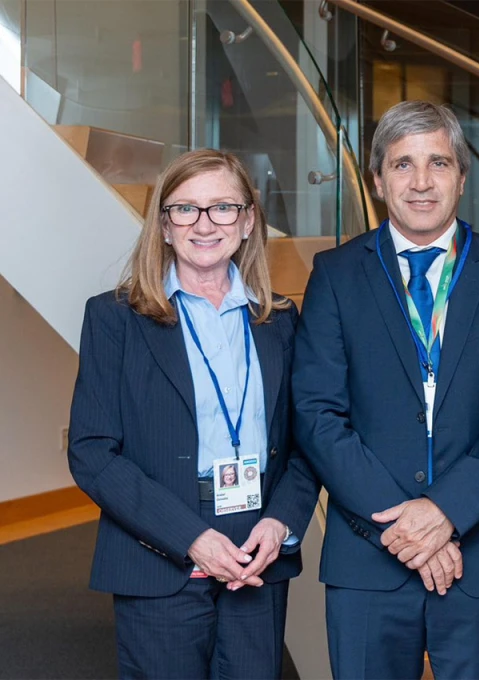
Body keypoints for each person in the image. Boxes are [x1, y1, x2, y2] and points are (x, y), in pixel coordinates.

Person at [292, 101, 479, 679]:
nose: (421, 182)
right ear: (378, 180)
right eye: (402, 164)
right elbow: (317, 414)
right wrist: (406, 529)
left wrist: (446, 511)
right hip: (368, 557)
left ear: (462, 176)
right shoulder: (334, 276)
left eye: (438, 163)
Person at [67, 149, 319, 678]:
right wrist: (192, 539)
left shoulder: (280, 321)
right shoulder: (115, 318)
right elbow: (93, 452)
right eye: (185, 209)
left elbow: (306, 443)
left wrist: (279, 524)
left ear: (248, 220)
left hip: (257, 560)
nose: (205, 224)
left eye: (223, 207)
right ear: (163, 225)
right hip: (158, 561)